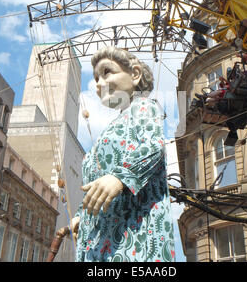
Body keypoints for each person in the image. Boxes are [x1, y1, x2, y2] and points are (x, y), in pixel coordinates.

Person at [69, 46, 175, 262]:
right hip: (100, 243)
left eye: (107, 72)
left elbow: (153, 146)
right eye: (96, 77)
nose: (98, 83)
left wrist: (120, 177)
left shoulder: (145, 107)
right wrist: (82, 213)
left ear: (134, 74)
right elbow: (97, 180)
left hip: (133, 240)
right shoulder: (113, 127)